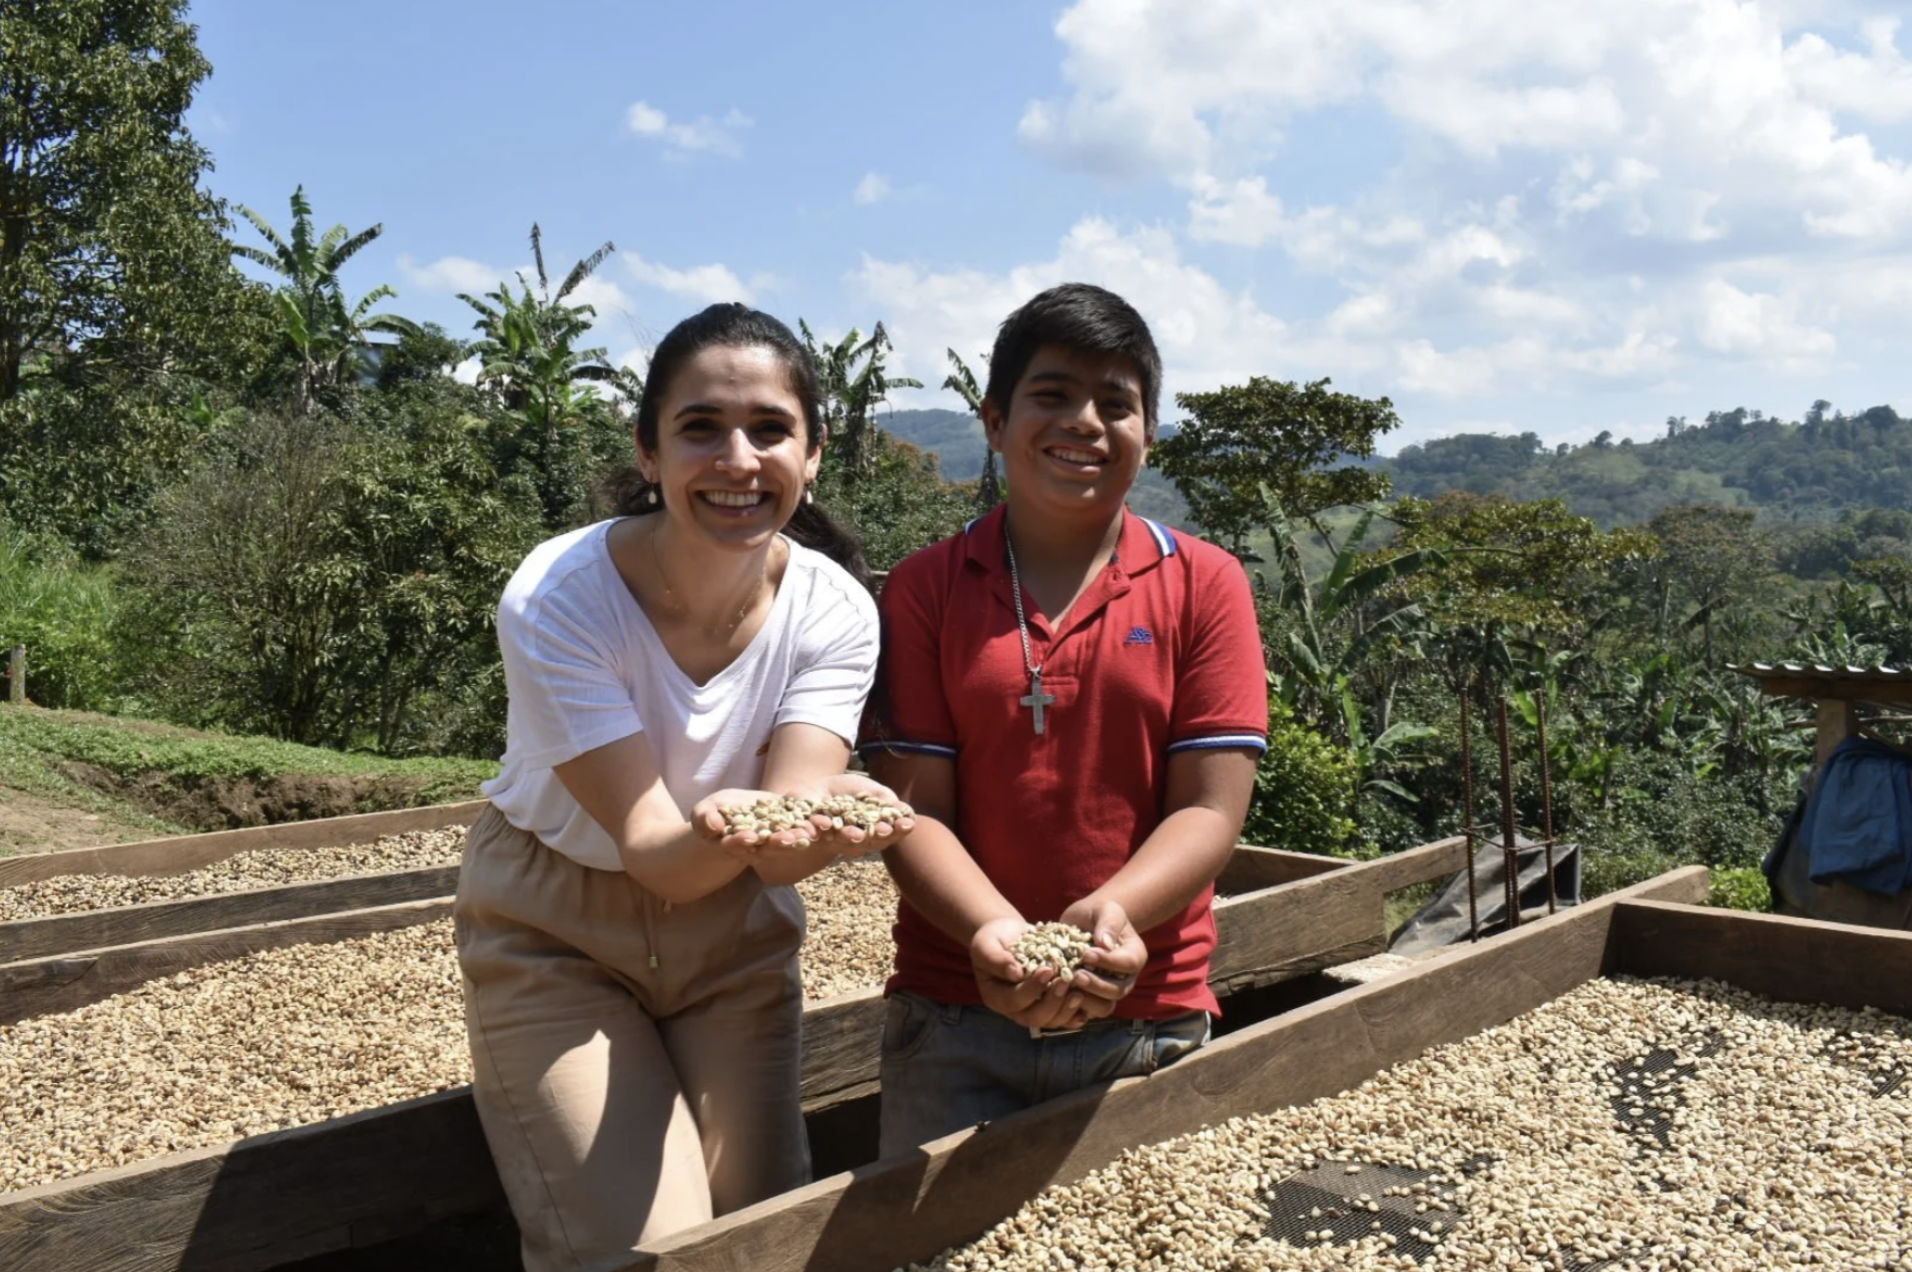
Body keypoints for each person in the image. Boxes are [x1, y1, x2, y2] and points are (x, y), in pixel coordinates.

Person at [456, 303, 910, 1271]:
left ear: (815, 452)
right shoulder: (559, 598)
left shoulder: (833, 610)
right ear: (649, 452)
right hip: (556, 933)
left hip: (735, 942)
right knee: (649, 1250)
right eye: (700, 428)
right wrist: (762, 826)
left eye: (770, 430)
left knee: (761, 1235)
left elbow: (782, 846)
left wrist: (834, 822)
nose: (737, 460)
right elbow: (661, 856)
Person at [863, 283, 1268, 1157]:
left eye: (1115, 403)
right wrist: (994, 937)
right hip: (953, 1016)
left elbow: (1209, 809)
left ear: (1149, 432)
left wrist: (1111, 918)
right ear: (996, 421)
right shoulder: (925, 588)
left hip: (1147, 1016)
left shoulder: (1206, 583)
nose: (1085, 421)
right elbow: (913, 810)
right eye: (1052, 396)